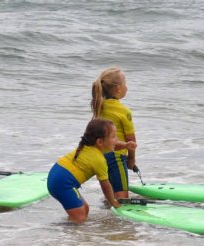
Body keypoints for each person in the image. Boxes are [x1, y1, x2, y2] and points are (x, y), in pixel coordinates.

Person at [47, 118, 137, 223]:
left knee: (85, 209)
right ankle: (62, 234)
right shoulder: (99, 160)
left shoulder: (89, 147)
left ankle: (69, 234)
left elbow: (111, 145)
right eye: (113, 136)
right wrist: (113, 202)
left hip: (56, 176)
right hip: (63, 184)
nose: (116, 139)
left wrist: (126, 145)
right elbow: (105, 185)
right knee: (80, 217)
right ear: (99, 142)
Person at [91, 68, 137, 199]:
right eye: (125, 84)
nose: (127, 87)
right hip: (117, 157)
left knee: (110, 195)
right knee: (122, 197)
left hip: (101, 157)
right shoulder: (124, 111)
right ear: (118, 89)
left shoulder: (99, 105)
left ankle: (108, 218)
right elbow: (131, 139)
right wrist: (131, 159)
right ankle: (117, 219)